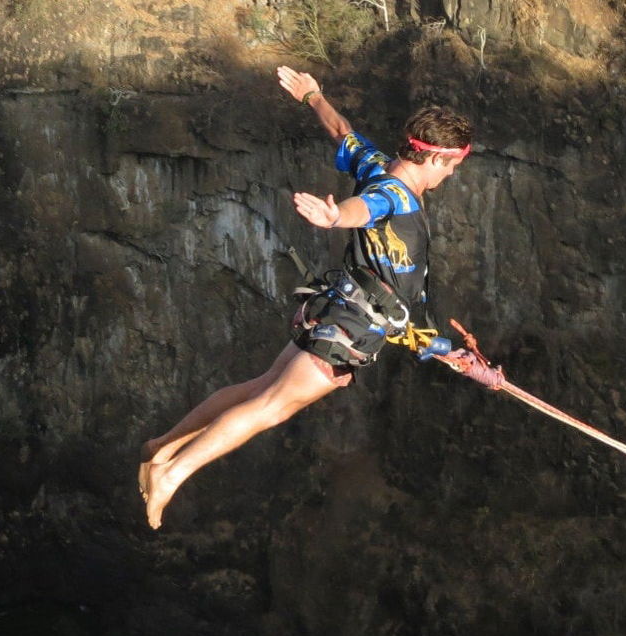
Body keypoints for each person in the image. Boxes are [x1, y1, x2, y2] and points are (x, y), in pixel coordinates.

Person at [138, 65, 474, 529]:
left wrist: (313, 96)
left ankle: (163, 446)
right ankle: (170, 474)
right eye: (452, 165)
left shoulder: (375, 164)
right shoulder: (394, 195)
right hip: (351, 329)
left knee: (258, 388)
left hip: (343, 309)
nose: (452, 174)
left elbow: (341, 131)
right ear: (433, 157)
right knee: (270, 406)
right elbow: (364, 209)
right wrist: (336, 218)